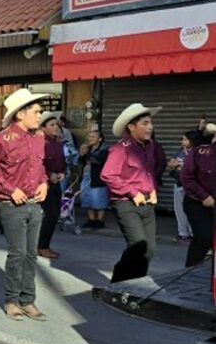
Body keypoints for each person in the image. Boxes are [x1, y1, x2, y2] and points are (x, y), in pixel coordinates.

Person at [0, 89, 49, 321]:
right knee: (18, 253)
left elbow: (40, 168)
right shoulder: (2, 139)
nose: (40, 116)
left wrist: (45, 183)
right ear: (21, 114)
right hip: (11, 205)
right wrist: (11, 189)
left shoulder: (39, 137)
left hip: (34, 203)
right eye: (36, 112)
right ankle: (11, 300)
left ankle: (28, 300)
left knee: (31, 254)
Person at [101, 103, 163, 283]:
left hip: (147, 202)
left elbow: (149, 171)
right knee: (137, 245)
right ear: (131, 126)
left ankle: (135, 282)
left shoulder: (151, 146)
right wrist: (132, 192)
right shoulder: (121, 148)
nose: (150, 127)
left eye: (150, 123)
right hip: (125, 203)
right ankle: (120, 281)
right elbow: (108, 175)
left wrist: (152, 189)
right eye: (145, 123)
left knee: (149, 250)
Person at [180, 123, 215, 267]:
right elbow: (186, 177)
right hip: (197, 203)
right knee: (204, 236)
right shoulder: (200, 152)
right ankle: (190, 272)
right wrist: (204, 196)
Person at [36, 111, 67, 259]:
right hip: (43, 183)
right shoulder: (40, 143)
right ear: (43, 128)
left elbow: (61, 162)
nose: (56, 127)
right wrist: (49, 175)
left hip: (56, 183)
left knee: (55, 214)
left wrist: (62, 173)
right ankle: (42, 246)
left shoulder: (58, 142)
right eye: (52, 125)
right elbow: (37, 164)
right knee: (51, 214)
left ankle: (42, 245)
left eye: (56, 124)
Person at [167, 131, 199, 242]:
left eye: (185, 140)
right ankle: (183, 233)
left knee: (192, 210)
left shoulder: (197, 152)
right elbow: (170, 163)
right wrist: (176, 164)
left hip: (192, 186)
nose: (183, 142)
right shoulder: (180, 151)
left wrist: (181, 164)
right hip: (179, 183)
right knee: (179, 209)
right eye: (182, 139)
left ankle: (193, 233)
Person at [78, 129, 109, 229]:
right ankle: (91, 220)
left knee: (98, 200)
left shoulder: (104, 150)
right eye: (90, 136)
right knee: (87, 198)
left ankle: (100, 221)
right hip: (86, 176)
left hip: (98, 178)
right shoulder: (89, 148)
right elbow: (80, 161)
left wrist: (86, 154)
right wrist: (81, 154)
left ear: (100, 139)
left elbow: (98, 161)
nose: (90, 139)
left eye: (93, 137)